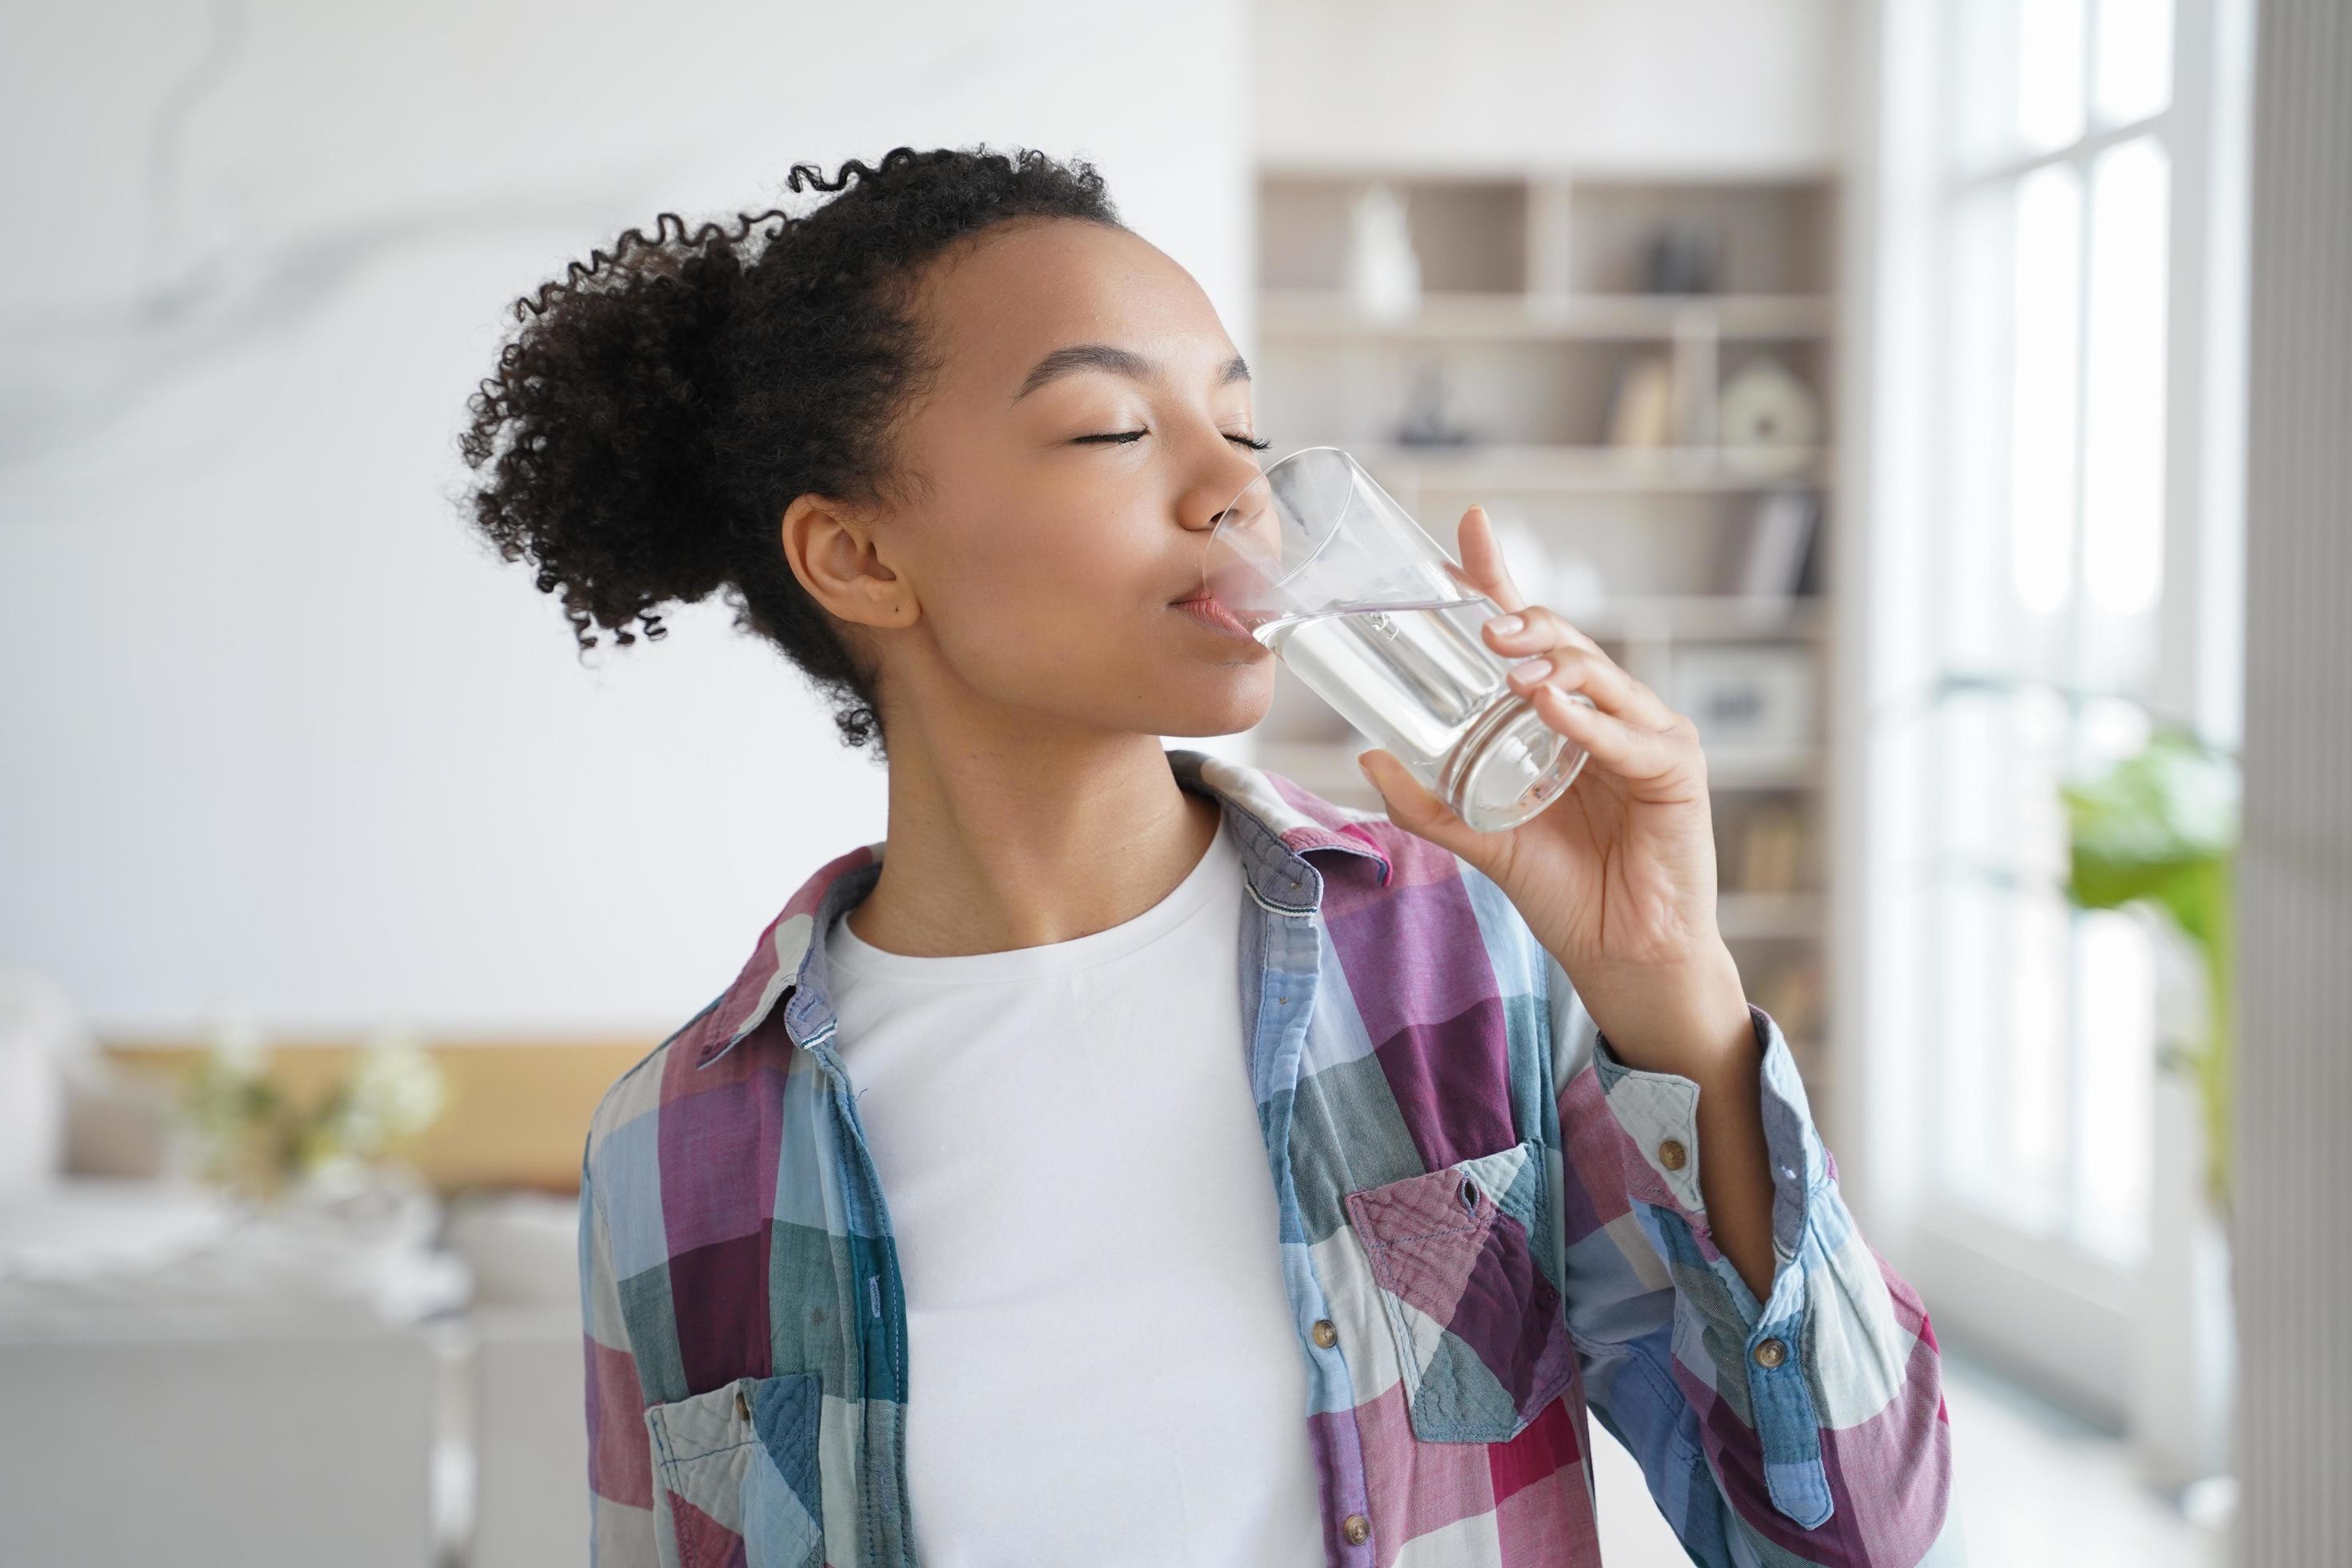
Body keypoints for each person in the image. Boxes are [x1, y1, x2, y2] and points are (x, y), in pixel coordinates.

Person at [458, 144, 1962, 1567]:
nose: (1237, 491)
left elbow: (1850, 1536)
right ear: (859, 557)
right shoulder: (673, 1148)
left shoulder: (1463, 959)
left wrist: (1672, 990)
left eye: (1241, 427)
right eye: (1116, 430)